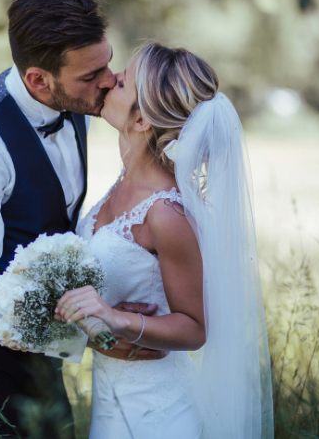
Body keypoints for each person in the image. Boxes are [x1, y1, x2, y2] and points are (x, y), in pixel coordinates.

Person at [0, 0, 164, 439]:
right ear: (38, 80)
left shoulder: (72, 98)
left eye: (109, 63)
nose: (109, 80)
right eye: (92, 75)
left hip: (41, 341)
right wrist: (94, 333)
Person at [56, 43, 274, 438]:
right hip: (111, 401)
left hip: (158, 412)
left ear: (141, 121)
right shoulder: (119, 185)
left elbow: (195, 327)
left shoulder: (167, 214)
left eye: (121, 82)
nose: (109, 81)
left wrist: (117, 318)